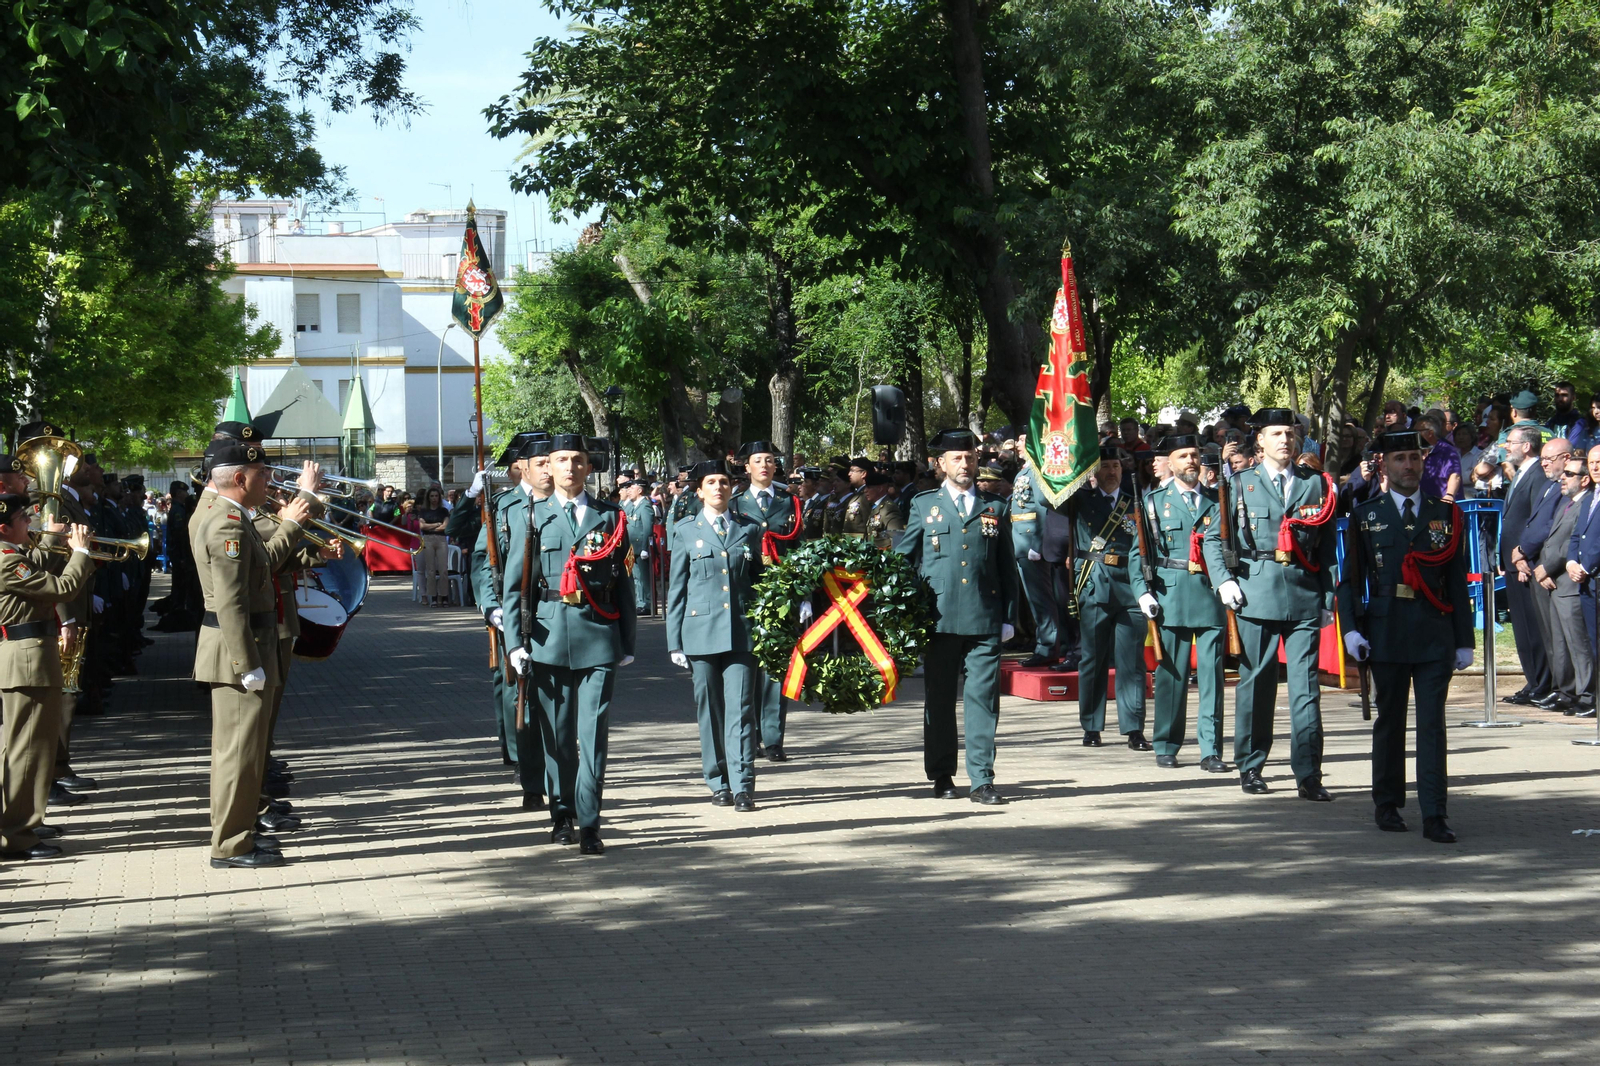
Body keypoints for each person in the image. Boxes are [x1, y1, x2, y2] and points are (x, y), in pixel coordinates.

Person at [501, 434, 636, 855]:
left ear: (589, 467)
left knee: (593, 733)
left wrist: (627, 639)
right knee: (557, 736)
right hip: (547, 636)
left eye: (578, 460)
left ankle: (590, 820)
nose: (570, 467)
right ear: (549, 466)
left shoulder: (611, 517)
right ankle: (561, 814)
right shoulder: (530, 516)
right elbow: (513, 588)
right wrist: (514, 643)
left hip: (598, 634)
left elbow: (625, 585)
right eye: (562, 460)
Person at [1338, 431, 1474, 844]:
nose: (1409, 466)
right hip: (1387, 628)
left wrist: (1464, 638)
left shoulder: (1445, 514)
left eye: (1414, 458)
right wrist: (1351, 629)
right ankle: (1388, 803)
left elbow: (1455, 577)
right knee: (1390, 720)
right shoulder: (1366, 515)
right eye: (1400, 458)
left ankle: (1435, 812)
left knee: (1432, 725)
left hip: (1434, 629)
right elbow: (1351, 580)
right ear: (1385, 465)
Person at [1203, 408, 1338, 799]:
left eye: (1289, 433)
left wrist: (1328, 596)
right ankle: (1250, 765)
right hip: (1255, 593)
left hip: (1304, 592)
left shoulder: (1316, 484)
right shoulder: (1240, 484)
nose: (1285, 440)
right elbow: (1214, 540)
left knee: (1306, 688)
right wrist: (1224, 581)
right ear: (1259, 440)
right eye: (1276, 433)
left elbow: (1327, 546)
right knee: (1257, 683)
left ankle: (1309, 773)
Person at [191, 439, 312, 868]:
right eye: (263, 475)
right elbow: (231, 602)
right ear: (240, 479)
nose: (270, 481)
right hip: (238, 652)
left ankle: (239, 835)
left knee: (245, 754)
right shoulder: (226, 524)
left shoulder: (233, 517)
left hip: (249, 647)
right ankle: (230, 845)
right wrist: (247, 665)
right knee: (237, 756)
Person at [896, 428, 1017, 805]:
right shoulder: (922, 505)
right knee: (940, 698)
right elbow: (905, 560)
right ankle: (942, 774)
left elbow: (1007, 566)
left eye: (970, 457)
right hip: (939, 618)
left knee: (983, 700)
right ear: (941, 464)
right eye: (957, 458)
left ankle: (982, 779)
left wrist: (1010, 616)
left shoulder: (994, 507)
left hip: (984, 616)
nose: (965, 464)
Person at [0, 494, 93, 861]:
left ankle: (23, 823)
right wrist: (81, 553)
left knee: (27, 750)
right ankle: (15, 835)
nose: (31, 523)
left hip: (29, 658)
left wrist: (54, 539)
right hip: (26, 661)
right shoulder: (7, 562)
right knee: (27, 752)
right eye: (24, 519)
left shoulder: (13, 555)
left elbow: (36, 567)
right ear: (4, 528)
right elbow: (61, 589)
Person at [666, 460, 763, 811]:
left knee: (741, 708)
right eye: (711, 482)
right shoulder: (685, 530)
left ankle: (742, 785)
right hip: (699, 632)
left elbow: (758, 582)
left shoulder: (749, 528)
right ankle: (717, 780)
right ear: (699, 490)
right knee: (710, 709)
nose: (719, 487)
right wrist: (674, 641)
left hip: (741, 630)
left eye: (724, 481)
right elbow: (676, 589)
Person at [1131, 436, 1229, 772]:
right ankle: (1167, 743)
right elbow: (1138, 554)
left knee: (1212, 676)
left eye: (1195, 455)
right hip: (1170, 594)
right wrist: (1142, 592)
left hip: (1209, 593)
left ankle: (1210, 749)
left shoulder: (1217, 502)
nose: (1190, 460)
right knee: (1171, 675)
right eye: (1182, 456)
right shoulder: (1154, 502)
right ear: (1170, 463)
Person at [1049, 446, 1151, 750]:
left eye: (1116, 465)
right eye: (1105, 466)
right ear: (1094, 472)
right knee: (1092, 659)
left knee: (1131, 662)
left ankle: (1134, 728)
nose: (1111, 471)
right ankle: (1091, 726)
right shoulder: (1081, 500)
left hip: (1131, 588)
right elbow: (1049, 499)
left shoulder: (1135, 501)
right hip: (1093, 585)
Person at [729, 440, 802, 760]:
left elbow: (800, 552)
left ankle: (773, 739)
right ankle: (750, 733)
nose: (763, 465)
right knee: (747, 666)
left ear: (775, 467)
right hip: (747, 594)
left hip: (780, 594)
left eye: (769, 460)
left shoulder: (790, 503)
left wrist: (804, 595)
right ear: (746, 467)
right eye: (757, 460)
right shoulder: (734, 504)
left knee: (776, 666)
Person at [1500, 426, 1559, 706]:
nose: (1505, 447)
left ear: (1526, 446)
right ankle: (1533, 681)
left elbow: (1538, 520)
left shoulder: (1537, 474)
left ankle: (1542, 682)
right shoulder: (1519, 473)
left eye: (1509, 442)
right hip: (1512, 563)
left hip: (1526, 563)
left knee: (1533, 627)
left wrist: (1526, 556)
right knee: (1520, 627)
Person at [1009, 458, 1062, 668]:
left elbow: (1043, 508)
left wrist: (1038, 543)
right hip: (1022, 540)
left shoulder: (1040, 469)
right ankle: (1047, 643)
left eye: (1025, 440)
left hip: (1031, 540)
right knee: (1036, 599)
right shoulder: (1026, 470)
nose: (1020, 443)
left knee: (1041, 599)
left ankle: (1048, 646)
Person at [620, 479, 656, 616]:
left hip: (640, 547)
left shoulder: (645, 506)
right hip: (632, 547)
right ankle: (640, 602)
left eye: (632, 488)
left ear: (639, 490)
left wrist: (645, 547)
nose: (629, 491)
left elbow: (647, 528)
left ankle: (647, 603)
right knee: (636, 577)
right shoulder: (635, 506)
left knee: (643, 578)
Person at [413, 486, 451, 607]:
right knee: (430, 570)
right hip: (428, 540)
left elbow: (445, 526)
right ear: (428, 498)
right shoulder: (424, 511)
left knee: (443, 569)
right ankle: (433, 596)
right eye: (432, 496)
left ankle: (444, 595)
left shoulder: (444, 511)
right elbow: (422, 527)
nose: (434, 498)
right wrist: (436, 524)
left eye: (436, 496)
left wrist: (431, 526)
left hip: (441, 540)